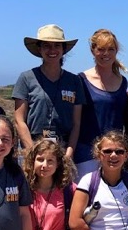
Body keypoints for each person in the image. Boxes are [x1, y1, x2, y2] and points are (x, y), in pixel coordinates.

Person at [14, 24, 84, 161]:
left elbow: (76, 123)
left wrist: (69, 152)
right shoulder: (26, 78)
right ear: (39, 49)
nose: (52, 50)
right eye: (47, 45)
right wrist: (31, 151)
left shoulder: (74, 81)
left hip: (62, 149)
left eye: (57, 45)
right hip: (32, 147)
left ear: (63, 49)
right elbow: (19, 120)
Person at [73, 29, 128, 177]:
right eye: (101, 49)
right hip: (86, 154)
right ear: (93, 51)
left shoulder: (122, 82)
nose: (106, 54)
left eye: (111, 49)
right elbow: (76, 122)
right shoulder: (81, 80)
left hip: (113, 153)